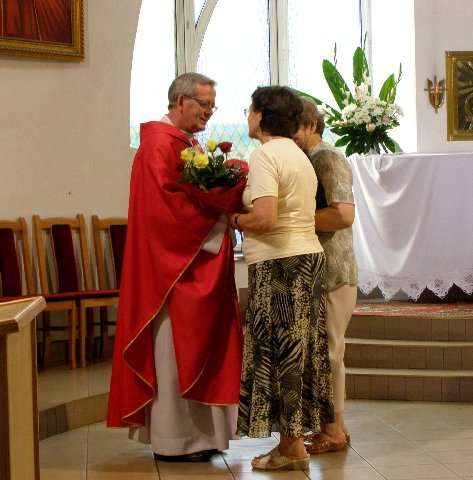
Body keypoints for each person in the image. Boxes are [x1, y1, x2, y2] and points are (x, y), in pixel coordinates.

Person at [107, 72, 243, 463]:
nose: (209, 112)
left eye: (213, 105)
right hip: (171, 275)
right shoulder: (157, 145)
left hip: (191, 265)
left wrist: (221, 203)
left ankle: (204, 437)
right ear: (180, 102)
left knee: (199, 350)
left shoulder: (185, 144)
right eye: (204, 104)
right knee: (172, 355)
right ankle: (177, 440)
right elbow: (166, 213)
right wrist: (221, 217)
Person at [229, 86, 334, 471]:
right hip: (306, 259)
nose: (247, 116)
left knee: (281, 353)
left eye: (250, 109)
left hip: (280, 265)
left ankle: (290, 447)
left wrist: (231, 219)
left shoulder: (266, 154)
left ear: (263, 115)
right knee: (300, 351)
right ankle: (293, 443)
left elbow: (265, 218)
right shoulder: (297, 155)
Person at [294, 97, 358, 454]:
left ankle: (334, 430)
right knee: (324, 352)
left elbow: (343, 215)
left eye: (294, 128)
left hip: (334, 267)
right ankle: (335, 427)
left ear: (311, 125)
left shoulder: (328, 158)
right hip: (319, 266)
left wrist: (289, 219)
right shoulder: (309, 158)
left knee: (330, 352)